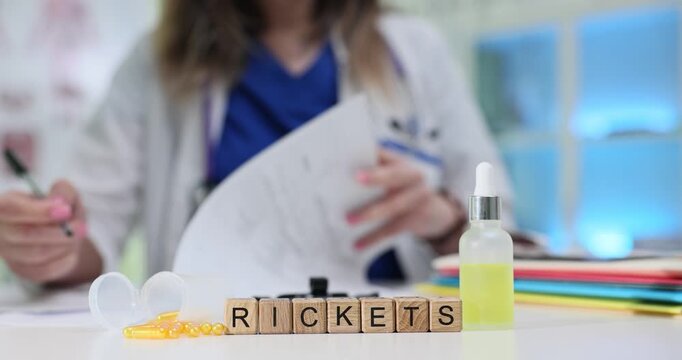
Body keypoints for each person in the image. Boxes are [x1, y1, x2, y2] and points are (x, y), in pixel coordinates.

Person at [0, 0, 514, 286]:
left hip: (384, 328)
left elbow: (496, 224)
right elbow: (94, 230)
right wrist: (51, 245)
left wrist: (441, 218)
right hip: (217, 335)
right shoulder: (157, 63)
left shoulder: (413, 49)